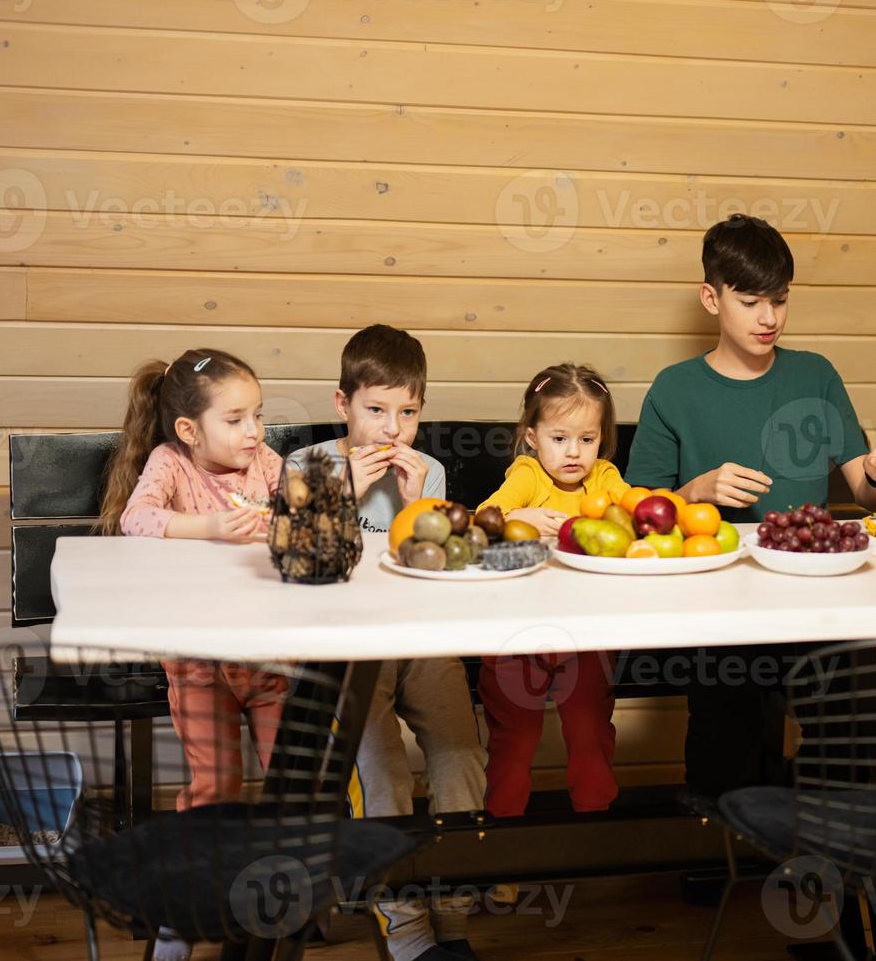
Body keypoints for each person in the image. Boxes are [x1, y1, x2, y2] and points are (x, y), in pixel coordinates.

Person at [626, 214, 876, 797]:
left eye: (779, 301)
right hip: (718, 598)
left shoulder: (816, 374)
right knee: (726, 728)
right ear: (711, 298)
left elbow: (865, 494)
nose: (769, 318)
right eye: (751, 300)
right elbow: (637, 510)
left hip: (816, 595)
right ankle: (720, 855)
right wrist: (695, 492)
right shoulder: (675, 389)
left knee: (855, 723)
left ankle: (851, 853)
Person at [289, 324, 486, 961]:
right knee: (382, 774)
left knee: (460, 754)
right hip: (346, 650)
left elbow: (432, 570)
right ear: (342, 405)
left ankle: (452, 915)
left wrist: (414, 504)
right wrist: (341, 489)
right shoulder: (307, 466)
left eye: (407, 413)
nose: (392, 429)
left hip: (419, 641)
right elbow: (303, 563)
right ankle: (407, 930)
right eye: (376, 411)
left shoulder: (426, 470)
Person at [100, 348, 288, 961]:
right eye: (235, 419)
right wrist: (205, 528)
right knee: (214, 789)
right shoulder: (170, 464)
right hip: (199, 662)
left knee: (292, 781)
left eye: (257, 415)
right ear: (189, 429)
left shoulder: (265, 463)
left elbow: (308, 508)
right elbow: (136, 520)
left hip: (270, 660)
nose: (253, 431)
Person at [475, 363, 626, 815]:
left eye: (587, 438)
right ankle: (500, 841)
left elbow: (633, 510)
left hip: (586, 638)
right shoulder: (528, 475)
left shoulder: (603, 478)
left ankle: (595, 833)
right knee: (514, 746)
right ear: (532, 436)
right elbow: (486, 515)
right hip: (516, 637)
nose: (574, 452)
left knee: (591, 739)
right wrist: (521, 518)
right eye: (559, 438)